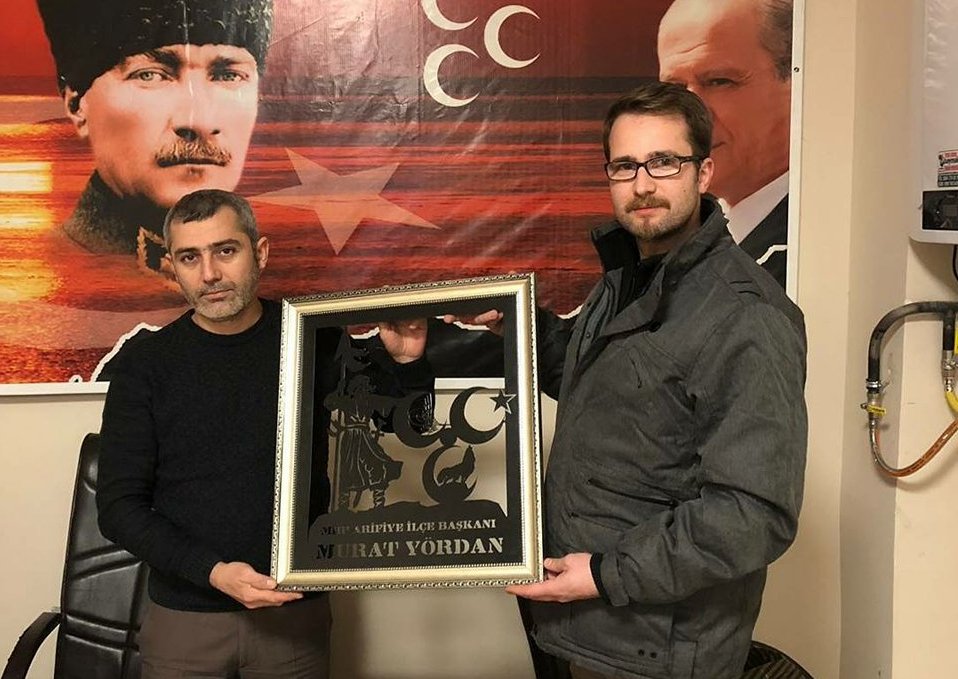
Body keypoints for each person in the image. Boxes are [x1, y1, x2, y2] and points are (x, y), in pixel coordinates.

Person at [505, 83, 807, 678]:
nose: (642, 184)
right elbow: (610, 392)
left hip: (657, 647)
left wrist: (604, 574)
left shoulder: (746, 316)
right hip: (584, 626)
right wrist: (516, 330)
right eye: (624, 166)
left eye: (663, 161)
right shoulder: (628, 277)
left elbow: (752, 514)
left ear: (704, 172)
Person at [96, 189, 433, 678]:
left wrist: (407, 364)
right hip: (186, 619)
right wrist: (213, 573)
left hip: (293, 613)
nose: (209, 274)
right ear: (172, 266)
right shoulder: (145, 364)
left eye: (225, 250)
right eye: (190, 257)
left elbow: (407, 427)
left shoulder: (314, 339)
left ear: (261, 252)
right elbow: (118, 508)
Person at [36, 0, 271, 272]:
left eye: (229, 76)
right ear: (77, 104)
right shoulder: (46, 270)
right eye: (150, 75)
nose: (200, 122)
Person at [657, 0, 793, 287]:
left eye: (719, 82)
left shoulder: (811, 255)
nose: (690, 117)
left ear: (796, 82)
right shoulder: (681, 238)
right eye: (674, 90)